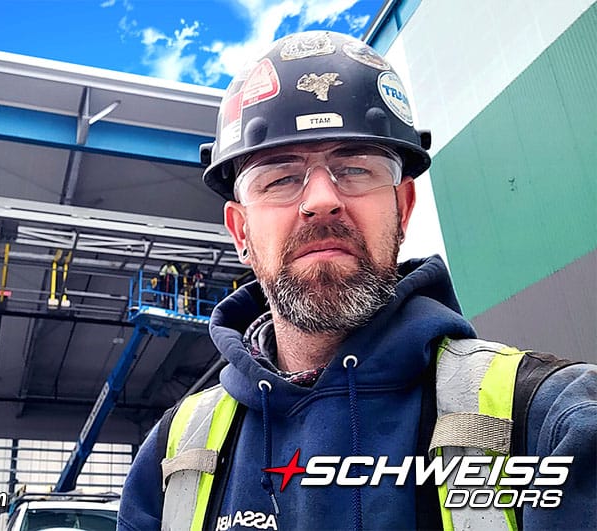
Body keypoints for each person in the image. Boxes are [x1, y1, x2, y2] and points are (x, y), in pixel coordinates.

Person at [118, 31, 595, 531]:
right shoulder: (173, 458)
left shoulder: (549, 422)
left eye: (355, 167)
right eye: (279, 177)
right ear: (240, 231)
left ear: (403, 207)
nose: (321, 199)